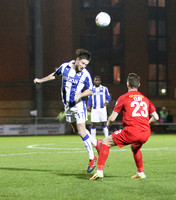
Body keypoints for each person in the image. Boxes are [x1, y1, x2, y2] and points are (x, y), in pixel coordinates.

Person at [34, 48, 97, 173]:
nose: (84, 67)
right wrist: (41, 80)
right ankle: (97, 143)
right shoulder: (65, 67)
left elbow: (90, 89)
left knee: (81, 130)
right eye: (83, 63)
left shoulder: (85, 74)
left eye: (86, 65)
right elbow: (54, 75)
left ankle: (92, 158)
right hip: (67, 105)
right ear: (77, 60)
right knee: (75, 130)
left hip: (78, 105)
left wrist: (80, 95)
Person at [90, 73, 159, 180]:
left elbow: (112, 118)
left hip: (132, 132)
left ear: (127, 84)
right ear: (139, 85)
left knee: (105, 142)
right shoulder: (145, 99)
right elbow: (156, 117)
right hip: (145, 133)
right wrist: (146, 125)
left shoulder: (123, 98)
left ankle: (99, 172)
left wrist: (108, 124)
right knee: (135, 148)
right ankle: (140, 173)